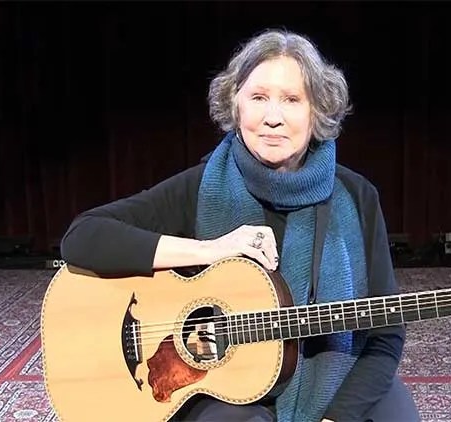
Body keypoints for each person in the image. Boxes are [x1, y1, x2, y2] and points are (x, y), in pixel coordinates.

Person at [60, 29, 419, 422]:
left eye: (292, 100)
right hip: (222, 383)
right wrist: (211, 249)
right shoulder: (200, 187)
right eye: (258, 98)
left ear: (317, 111)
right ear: (236, 106)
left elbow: (385, 336)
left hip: (331, 372)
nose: (273, 118)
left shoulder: (357, 197)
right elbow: (82, 237)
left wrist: (337, 416)